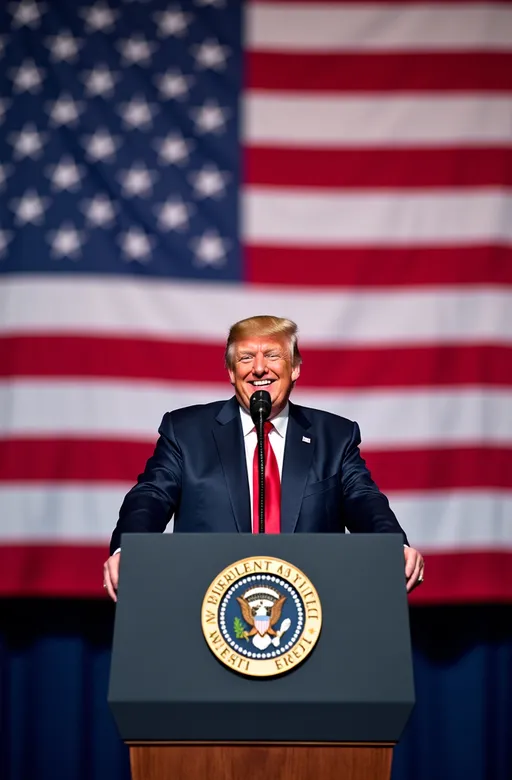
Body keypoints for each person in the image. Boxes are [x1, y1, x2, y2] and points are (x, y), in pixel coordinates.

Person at [103, 315, 424, 601]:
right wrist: (130, 550)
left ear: (295, 366)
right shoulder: (186, 432)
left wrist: (391, 546)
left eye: (272, 355)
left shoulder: (335, 436)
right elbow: (151, 495)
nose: (259, 368)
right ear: (230, 370)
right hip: (203, 604)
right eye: (246, 357)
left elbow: (364, 500)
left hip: (312, 609)